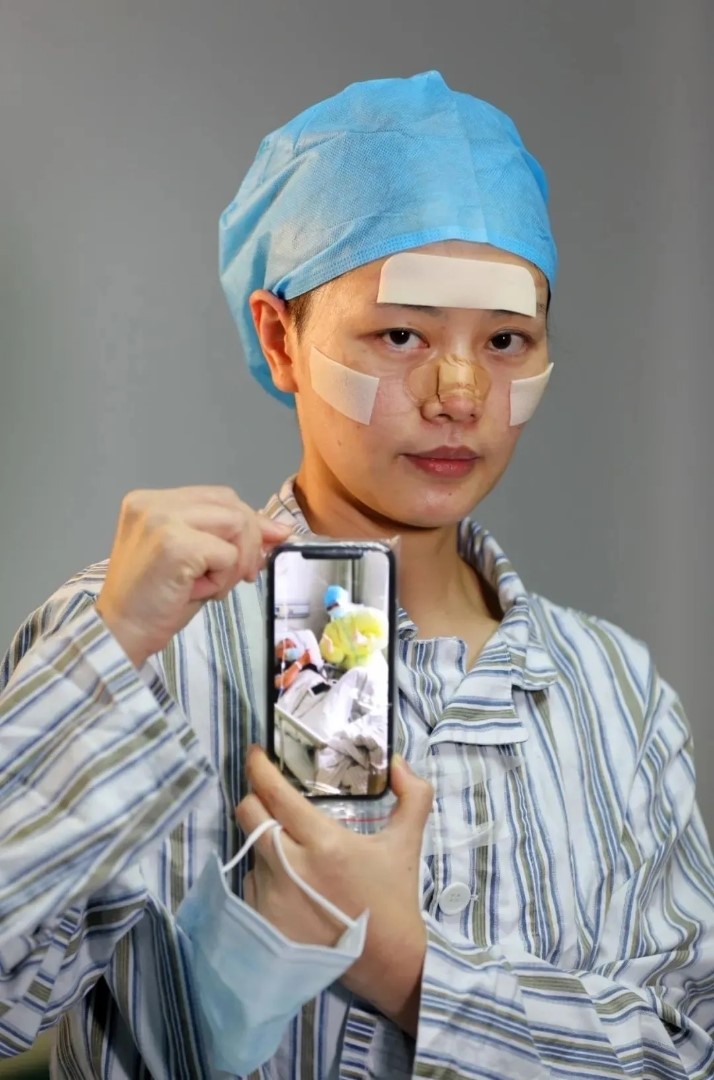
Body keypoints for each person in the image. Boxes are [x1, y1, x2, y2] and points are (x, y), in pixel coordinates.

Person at [1, 70, 713, 1080]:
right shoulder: (140, 642)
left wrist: (412, 971)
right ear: (280, 338)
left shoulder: (616, 697)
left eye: (505, 340)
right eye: (401, 334)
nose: (460, 393)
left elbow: (689, 1046)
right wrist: (104, 658)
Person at [320, 585, 390, 671]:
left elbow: (385, 637)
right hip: (350, 671)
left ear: (343, 600)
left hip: (373, 666)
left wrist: (366, 641)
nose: (333, 609)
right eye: (329, 607)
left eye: (335, 604)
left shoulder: (365, 616)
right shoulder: (332, 629)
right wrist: (330, 650)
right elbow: (339, 658)